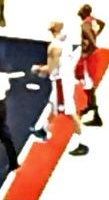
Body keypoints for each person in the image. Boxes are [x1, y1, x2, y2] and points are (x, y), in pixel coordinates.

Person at [31, 20, 88, 157]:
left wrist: (37, 69)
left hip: (60, 81)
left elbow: (50, 69)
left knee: (69, 111)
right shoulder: (66, 39)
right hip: (66, 77)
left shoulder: (53, 47)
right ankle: (43, 129)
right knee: (53, 105)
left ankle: (82, 142)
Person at [75, 3, 105, 127]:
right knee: (87, 84)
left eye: (80, 10)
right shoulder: (92, 20)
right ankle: (90, 105)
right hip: (91, 55)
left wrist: (88, 51)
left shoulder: (84, 25)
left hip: (89, 56)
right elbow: (102, 24)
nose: (78, 11)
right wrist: (96, 34)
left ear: (84, 12)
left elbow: (90, 39)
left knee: (88, 84)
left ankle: (95, 113)